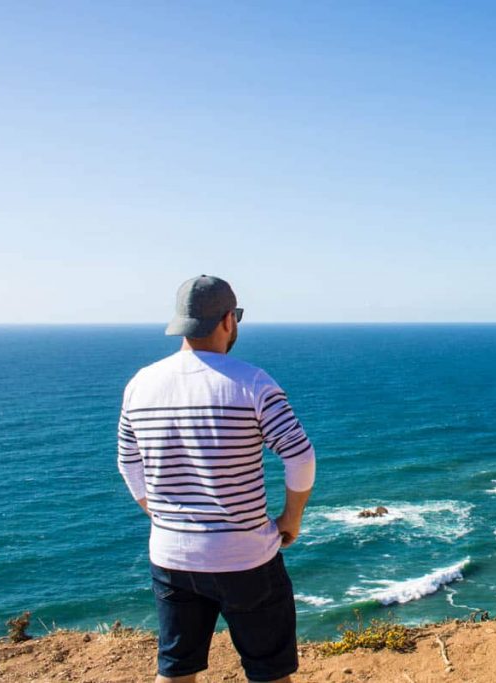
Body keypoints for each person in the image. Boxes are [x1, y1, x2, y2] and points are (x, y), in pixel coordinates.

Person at [117, 275, 316, 683]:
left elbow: (128, 464)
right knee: (269, 672)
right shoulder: (252, 382)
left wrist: (160, 516)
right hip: (245, 558)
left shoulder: (140, 384)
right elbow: (300, 456)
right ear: (228, 320)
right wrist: (290, 519)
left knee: (176, 669)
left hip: (171, 556)